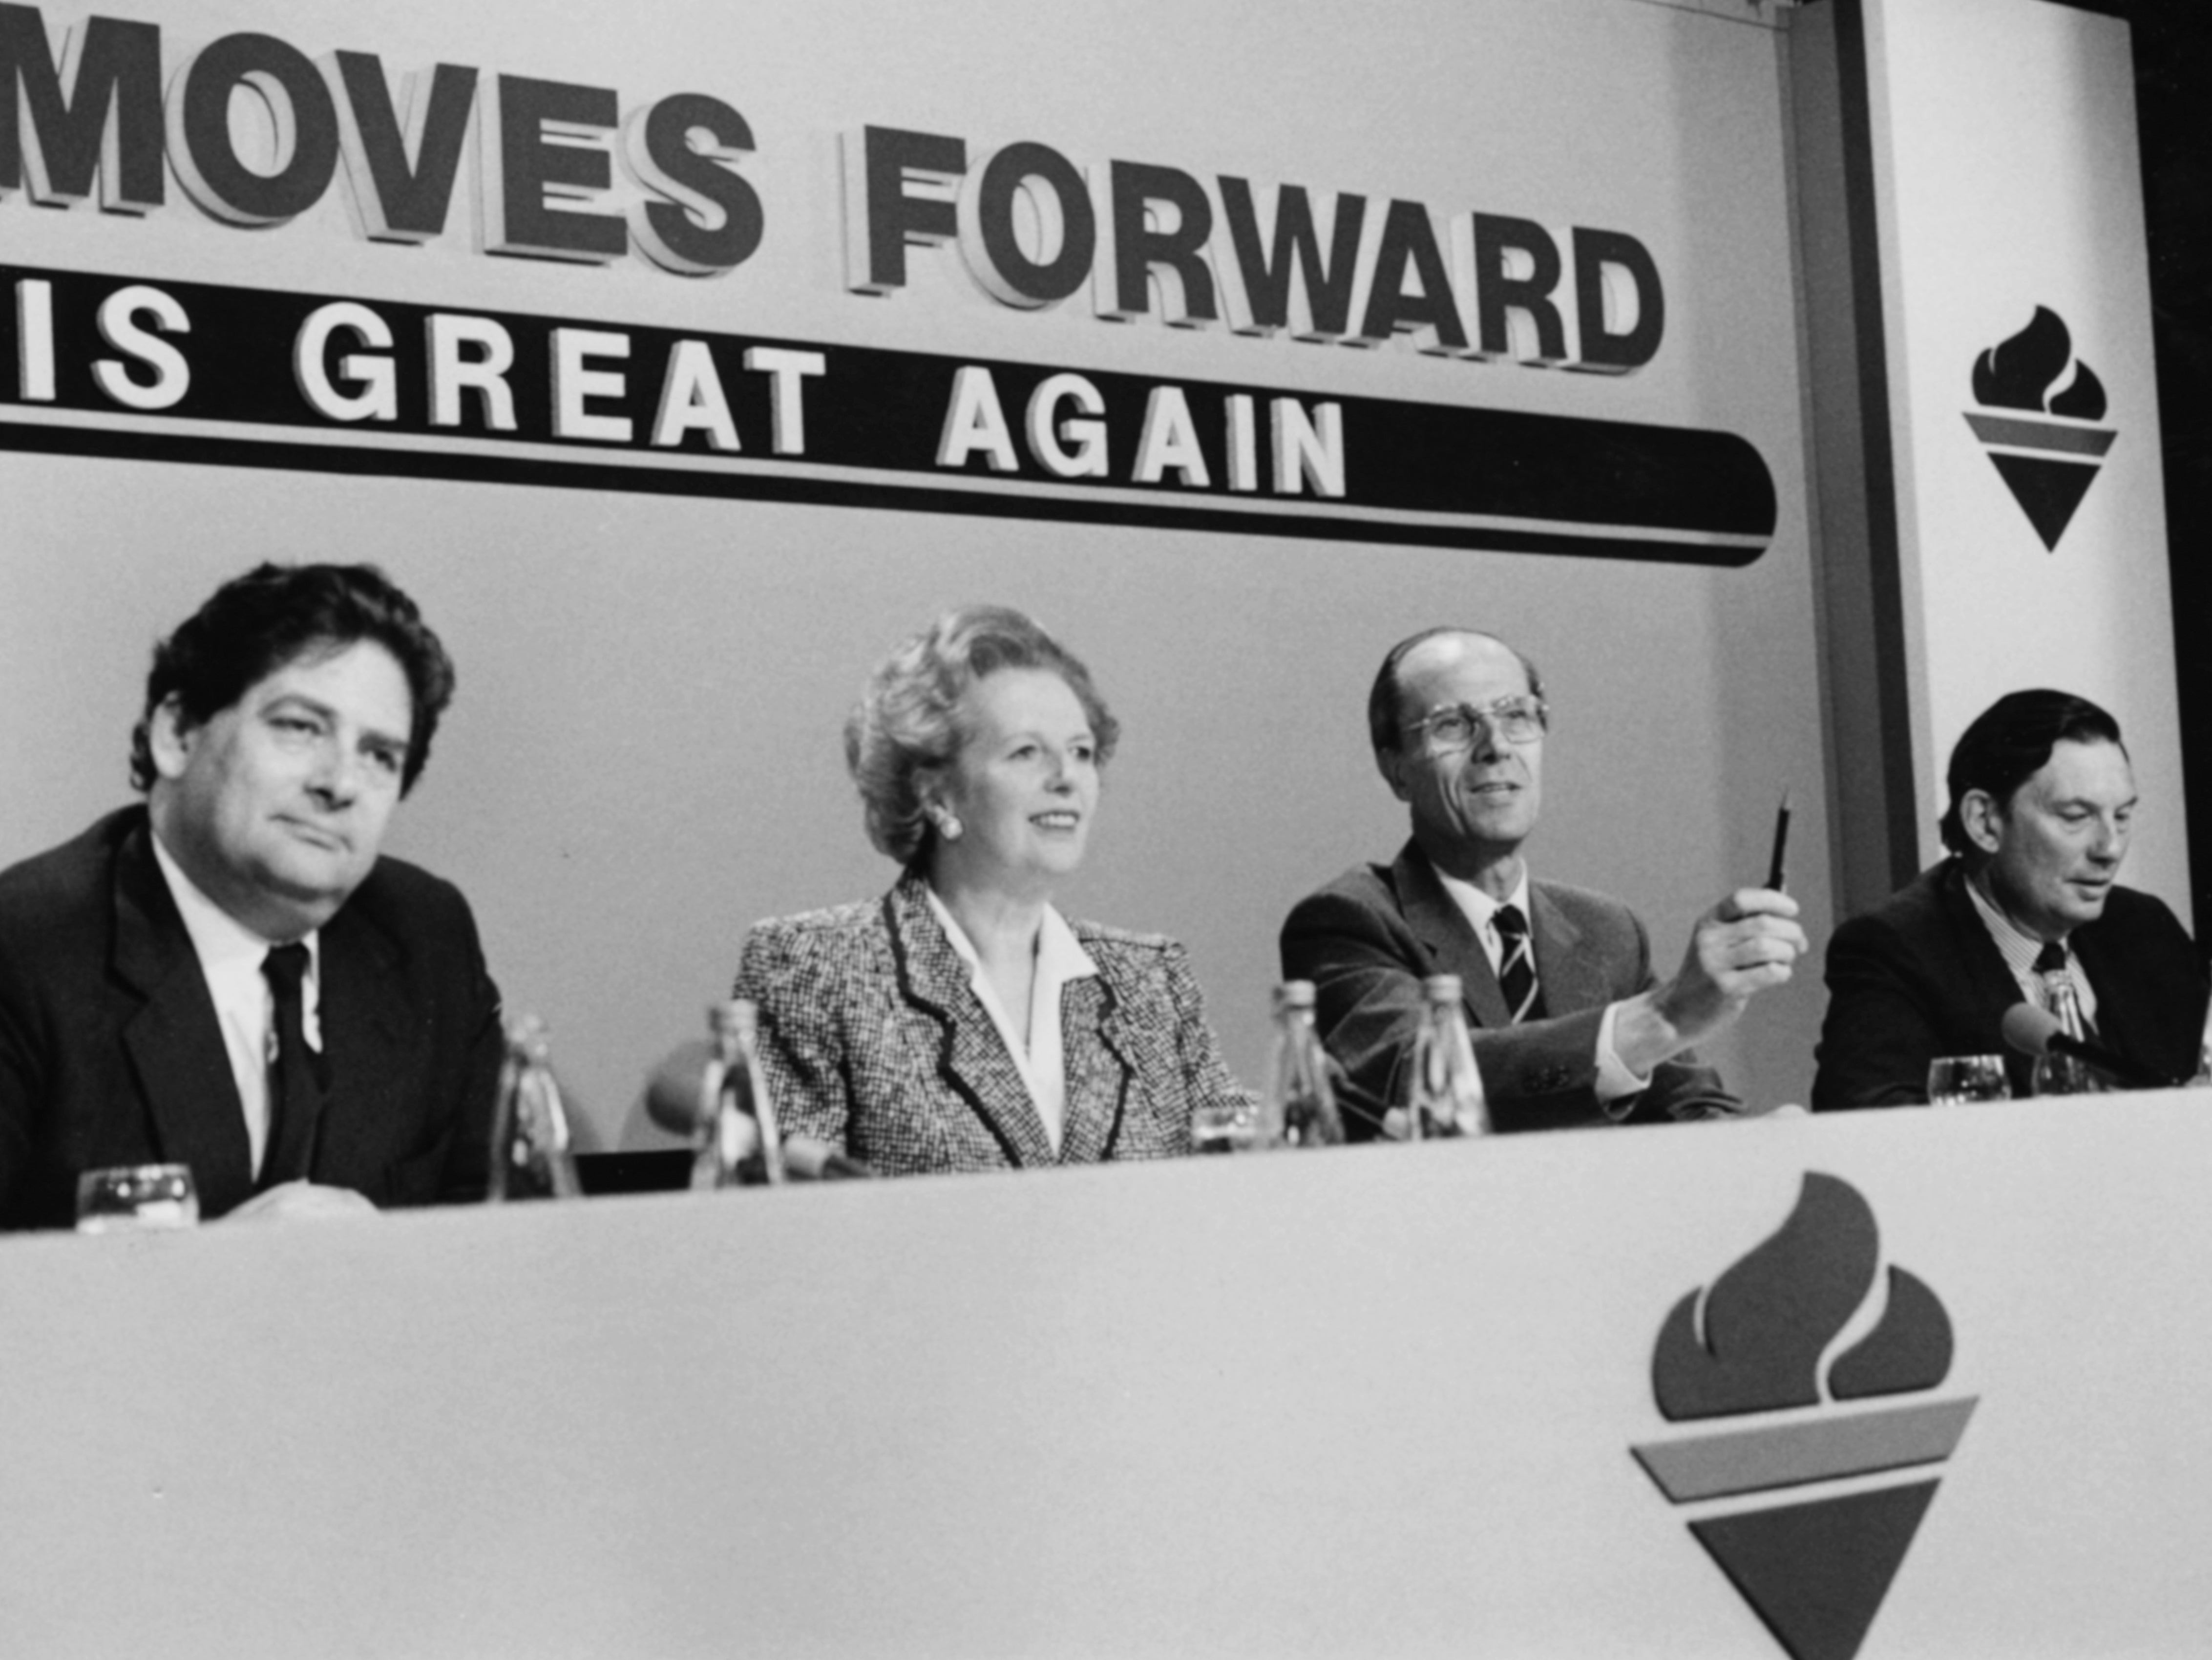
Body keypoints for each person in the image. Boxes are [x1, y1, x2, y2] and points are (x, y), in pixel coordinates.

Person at [0, 563, 502, 1229]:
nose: (340, 782)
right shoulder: (26, 948)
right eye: (300, 726)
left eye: (380, 755)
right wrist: (222, 1278)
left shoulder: (427, 933)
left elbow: (514, 1237)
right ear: (177, 734)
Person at [731, 605, 1248, 1175]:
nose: (1066, 777)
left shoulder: (1151, 981)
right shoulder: (819, 969)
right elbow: (786, 1221)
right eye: (1026, 752)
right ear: (937, 795)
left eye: (1080, 751)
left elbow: (1246, 1168)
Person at [1280, 627, 1806, 1135]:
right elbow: (1422, 1085)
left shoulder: (1604, 929)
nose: (1495, 746)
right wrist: (1662, 1017)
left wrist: (1761, 1142)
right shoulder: (1348, 920)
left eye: (1516, 716)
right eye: (1451, 725)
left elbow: (1683, 1107)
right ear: (1394, 769)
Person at [1812, 689, 2206, 1107]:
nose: (2109, 848)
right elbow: (1871, 1123)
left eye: (2122, 816)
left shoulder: (2143, 927)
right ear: (1984, 821)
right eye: (2076, 817)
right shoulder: (1894, 948)